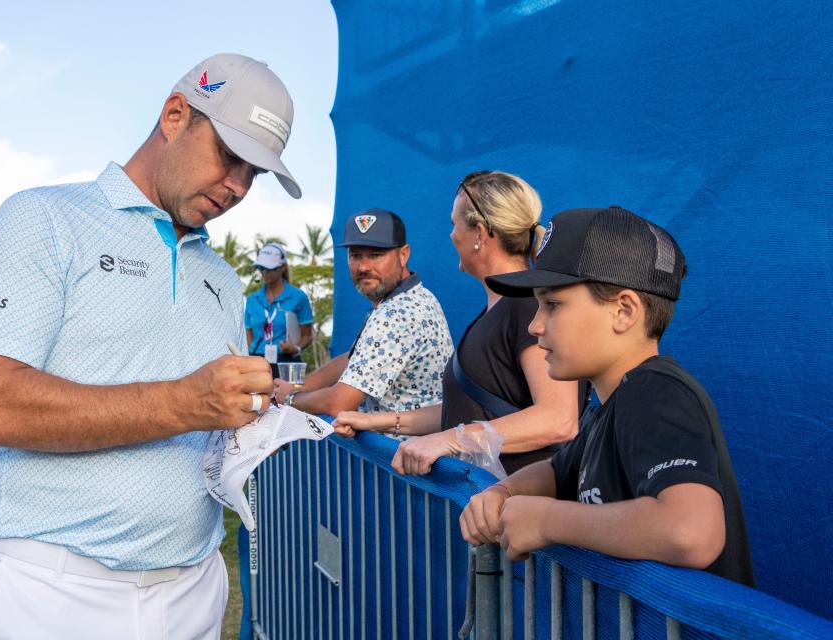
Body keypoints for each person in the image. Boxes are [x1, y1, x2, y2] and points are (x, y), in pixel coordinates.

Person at [0, 53, 300, 638]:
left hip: (194, 584)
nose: (238, 186)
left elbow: (214, 422)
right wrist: (185, 404)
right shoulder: (44, 218)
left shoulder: (219, 273)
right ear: (174, 115)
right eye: (230, 157)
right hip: (54, 591)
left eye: (255, 173)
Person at [460, 205, 755, 586]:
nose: (535, 325)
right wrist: (503, 492)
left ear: (624, 311)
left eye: (552, 305)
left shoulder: (655, 392)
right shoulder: (609, 409)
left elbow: (691, 532)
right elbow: (555, 470)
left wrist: (548, 520)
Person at [332, 172, 582, 475]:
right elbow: (463, 414)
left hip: (523, 507)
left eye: (454, 224)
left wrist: (449, 441)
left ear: (479, 233)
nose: (451, 236)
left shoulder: (528, 305)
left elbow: (558, 419)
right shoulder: (497, 309)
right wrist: (375, 421)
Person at [273, 209, 452, 424]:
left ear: (403, 255)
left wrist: (291, 399)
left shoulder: (396, 314)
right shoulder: (415, 295)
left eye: (376, 255)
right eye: (355, 255)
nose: (364, 267)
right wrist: (301, 385)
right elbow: (355, 359)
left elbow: (338, 403)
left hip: (404, 452)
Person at [244, 242, 313, 372]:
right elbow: (248, 339)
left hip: (287, 362)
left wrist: (295, 348)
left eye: (270, 268)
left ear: (282, 267)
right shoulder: (252, 300)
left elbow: (307, 336)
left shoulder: (299, 297)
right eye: (261, 268)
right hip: (256, 362)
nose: (265, 272)